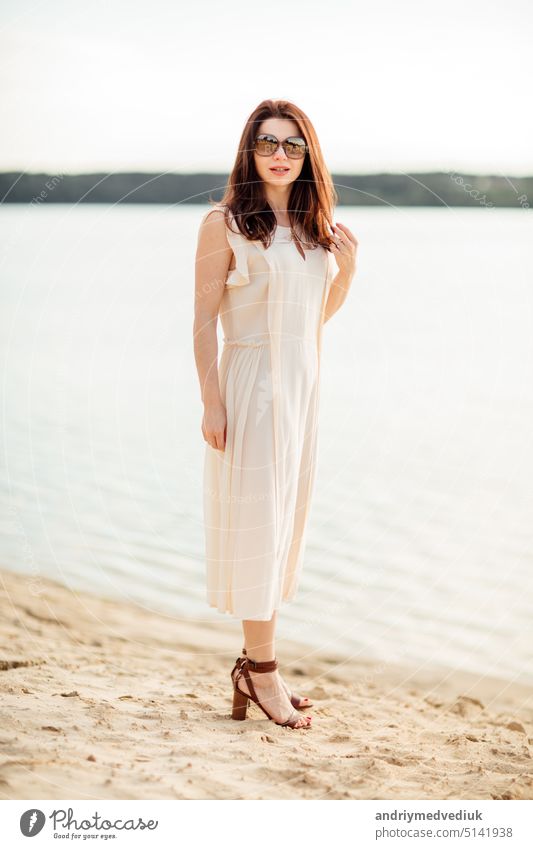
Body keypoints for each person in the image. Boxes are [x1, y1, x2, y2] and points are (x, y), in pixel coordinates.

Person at [194, 99, 357, 729]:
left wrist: (349, 269)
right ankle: (262, 673)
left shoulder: (317, 227)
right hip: (251, 383)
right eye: (268, 143)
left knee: (283, 526)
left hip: (302, 385)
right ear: (249, 151)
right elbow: (202, 327)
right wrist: (211, 400)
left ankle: (253, 663)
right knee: (258, 525)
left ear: (308, 154)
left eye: (293, 145)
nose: (281, 155)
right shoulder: (225, 223)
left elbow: (314, 319)